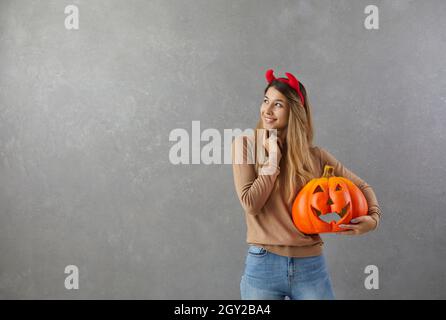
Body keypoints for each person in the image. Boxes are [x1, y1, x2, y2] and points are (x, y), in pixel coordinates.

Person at [231, 69, 382, 300]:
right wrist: (273, 159)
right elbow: (251, 204)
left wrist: (372, 219)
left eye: (278, 105)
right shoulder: (246, 145)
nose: (267, 110)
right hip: (263, 266)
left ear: (294, 111)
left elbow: (362, 187)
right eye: (265, 101)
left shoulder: (316, 157)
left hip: (310, 266)